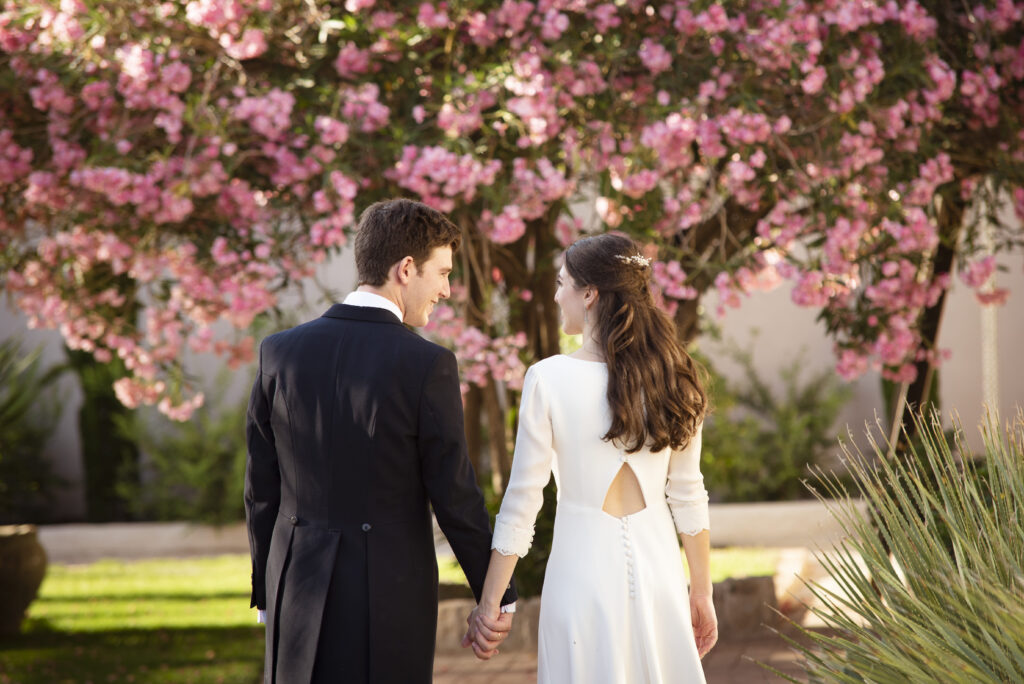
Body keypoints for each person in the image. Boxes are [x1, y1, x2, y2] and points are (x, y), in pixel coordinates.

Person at [244, 198, 517, 684]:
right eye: (442, 273)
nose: (447, 290)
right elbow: (453, 494)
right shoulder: (427, 365)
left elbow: (261, 487)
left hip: (295, 589)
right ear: (406, 269)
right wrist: (496, 594)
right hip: (388, 597)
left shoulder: (278, 352)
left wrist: (267, 587)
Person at [466, 233, 718, 682]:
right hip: (661, 575)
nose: (557, 294)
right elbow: (688, 496)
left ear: (589, 293)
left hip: (579, 576)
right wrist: (702, 592)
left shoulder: (547, 378)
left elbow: (522, 504)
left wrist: (490, 603)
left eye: (562, 282)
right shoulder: (676, 376)